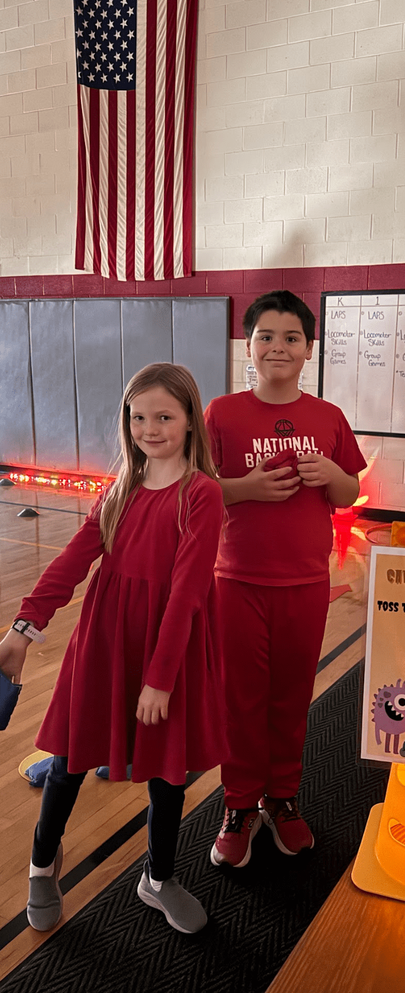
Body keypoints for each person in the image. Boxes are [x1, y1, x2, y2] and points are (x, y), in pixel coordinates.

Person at [0, 363, 225, 934]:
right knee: (71, 761)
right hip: (103, 642)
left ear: (191, 421)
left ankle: (159, 876)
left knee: (167, 772)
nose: (150, 428)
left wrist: (161, 676)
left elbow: (188, 591)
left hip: (165, 650)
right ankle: (41, 868)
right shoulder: (119, 488)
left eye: (165, 416)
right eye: (139, 416)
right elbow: (73, 561)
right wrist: (23, 629)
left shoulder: (201, 494)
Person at [204, 290, 367, 868]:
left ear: (308, 349)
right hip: (237, 580)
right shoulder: (221, 413)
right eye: (266, 336)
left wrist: (331, 473)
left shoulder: (328, 418)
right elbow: (196, 489)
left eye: (291, 337)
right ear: (247, 346)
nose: (278, 346)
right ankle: (239, 804)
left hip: (304, 583)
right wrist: (246, 488)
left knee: (292, 696)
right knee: (241, 699)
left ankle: (282, 799)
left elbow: (349, 494)